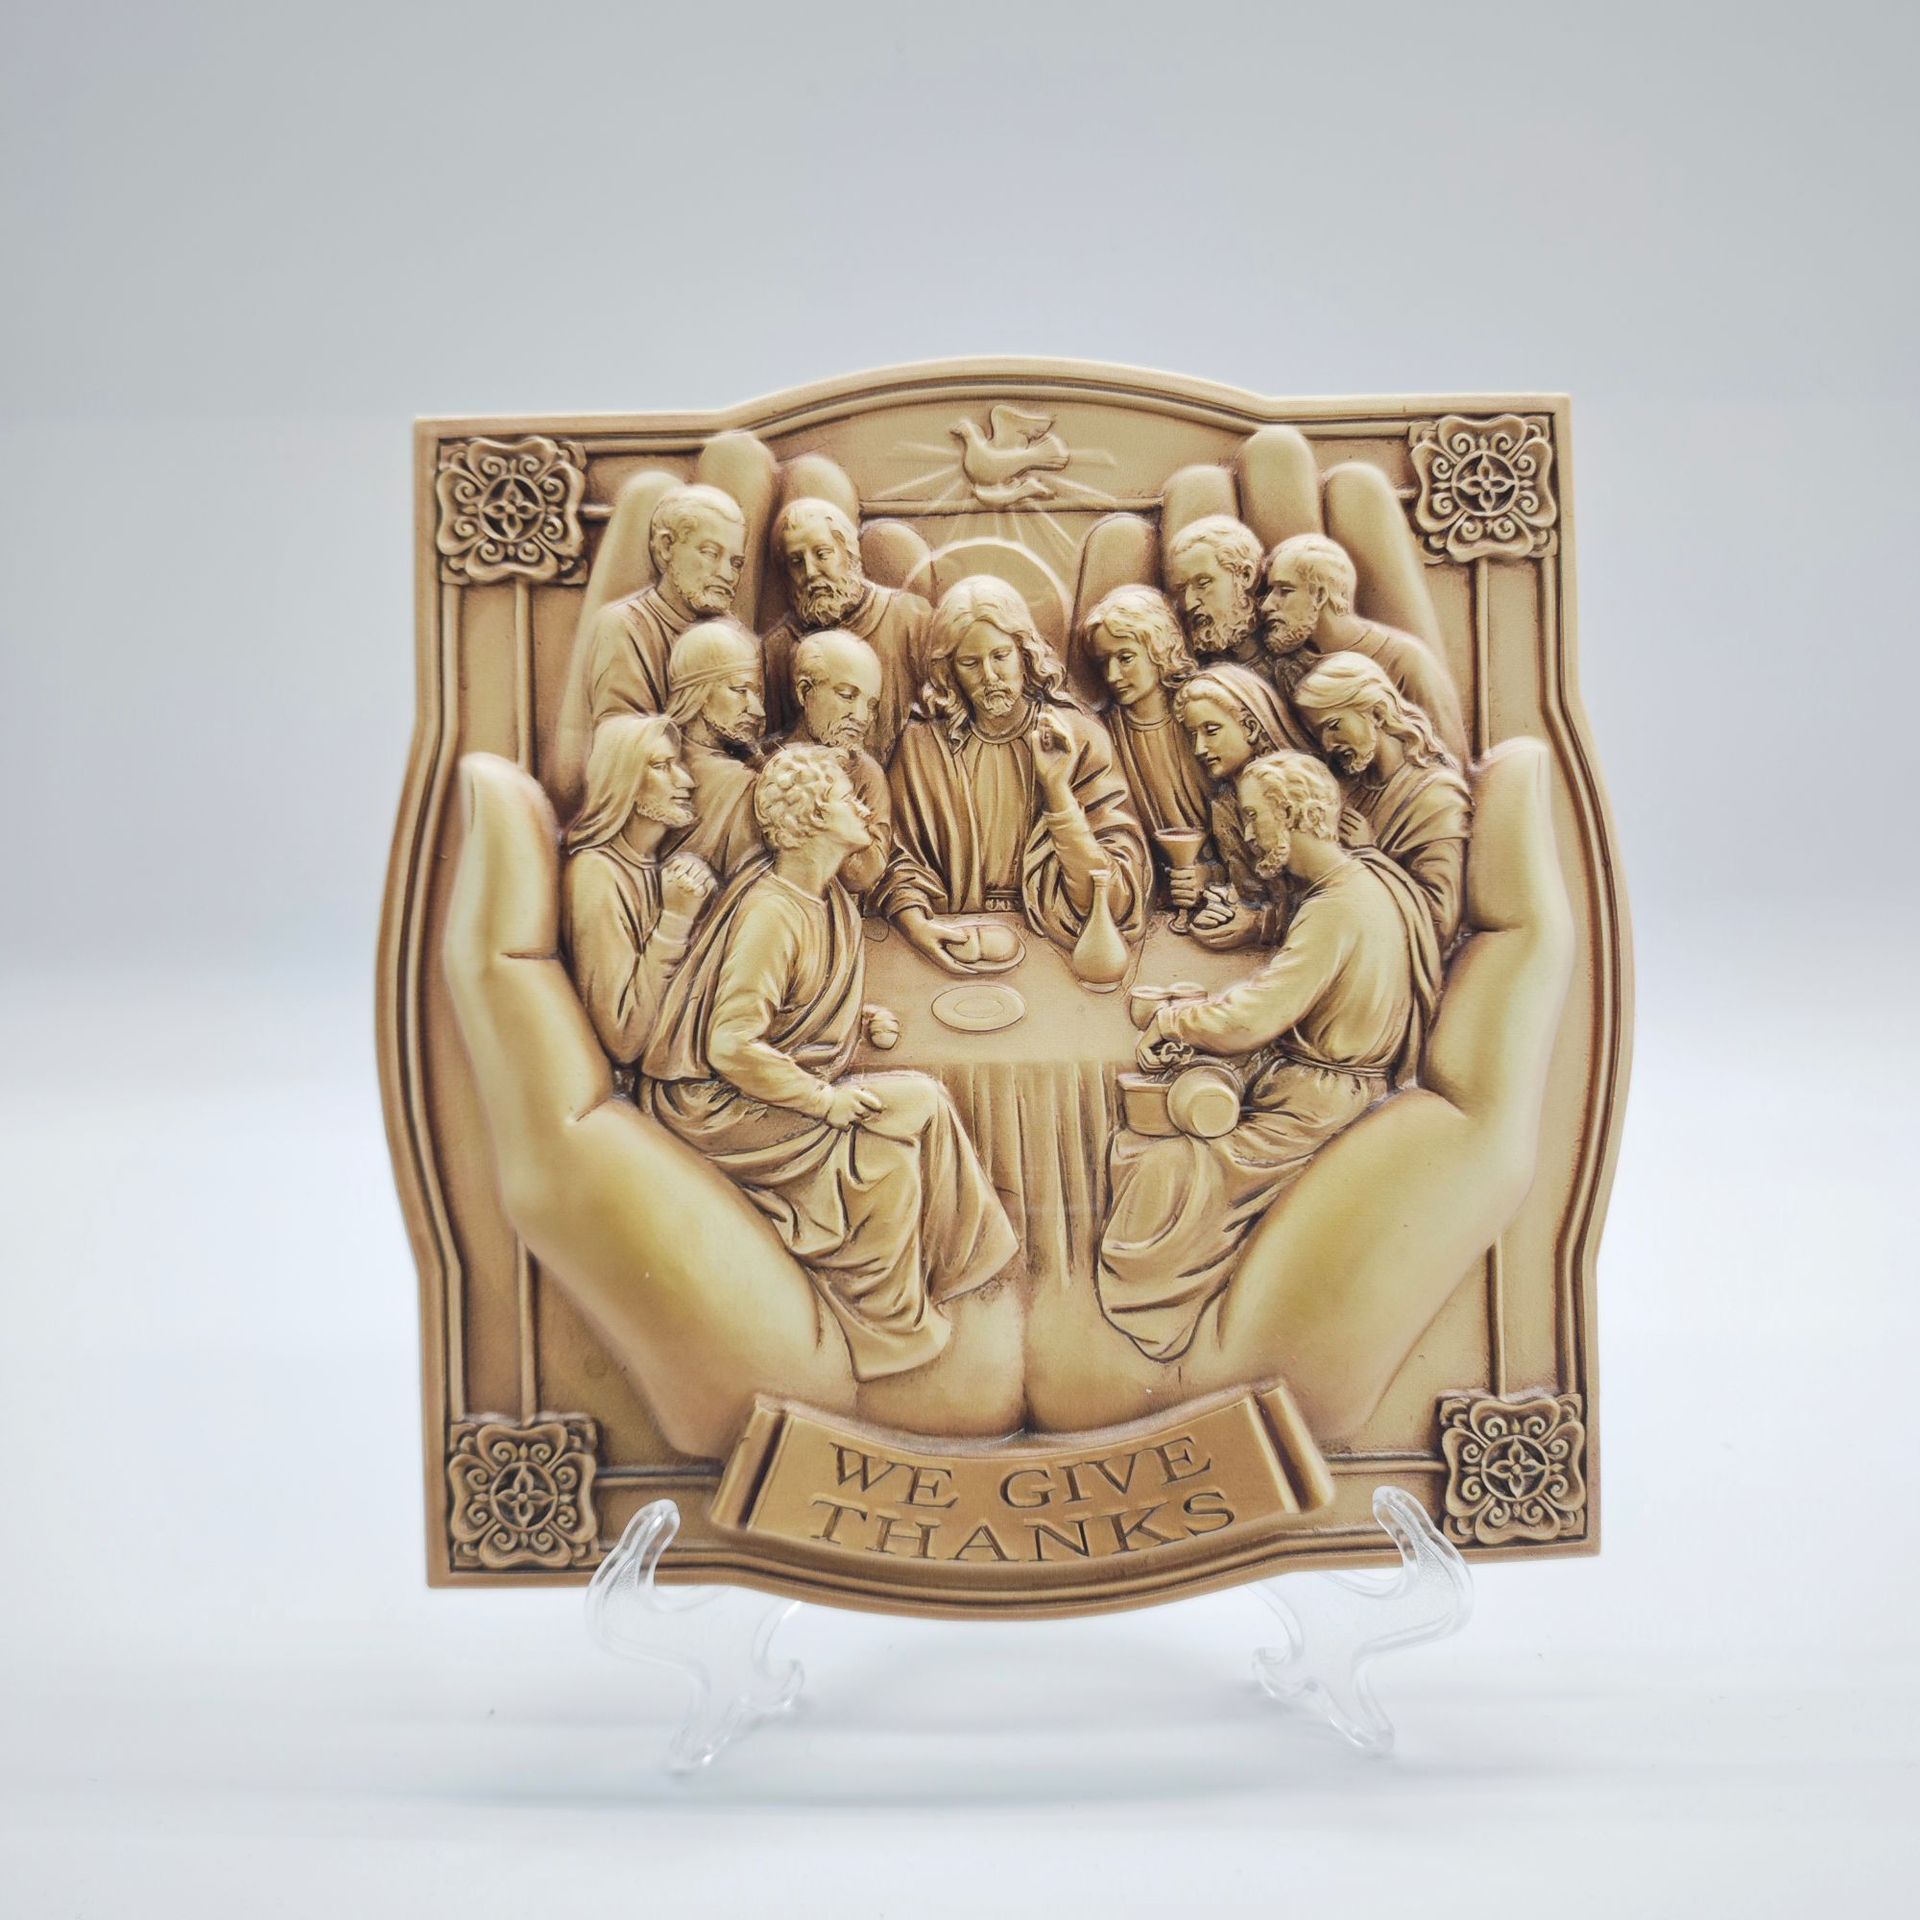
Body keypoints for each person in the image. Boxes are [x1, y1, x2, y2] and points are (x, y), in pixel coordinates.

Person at [640, 746, 1017, 1382]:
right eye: (847, 800)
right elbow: (730, 1045)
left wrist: (856, 1017)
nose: (862, 810)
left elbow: (793, 1006)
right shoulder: (773, 913)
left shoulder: (827, 896)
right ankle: (893, 1339)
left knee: (926, 1101)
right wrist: (825, 1101)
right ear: (813, 819)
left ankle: (957, 1279)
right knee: (884, 1162)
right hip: (723, 1107)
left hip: (771, 1084)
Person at [1096, 751, 1440, 1361]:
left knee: (1159, 1163)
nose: (1250, 833)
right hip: (1320, 1083)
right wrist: (1243, 949)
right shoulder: (1367, 879)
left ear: (1292, 813)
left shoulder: (1335, 909)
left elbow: (1253, 1018)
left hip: (1315, 1109)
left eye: (1256, 816)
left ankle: (1159, 1326)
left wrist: (1176, 1019)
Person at [874, 577, 1150, 969]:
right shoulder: (922, 748)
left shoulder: (1076, 737)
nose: (989, 675)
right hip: (953, 939)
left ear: (1025, 652)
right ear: (949, 671)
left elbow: (1116, 895)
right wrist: (915, 923)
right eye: (970, 663)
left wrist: (1057, 791)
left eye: (1000, 656)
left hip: (1056, 943)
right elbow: (897, 859)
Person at [561, 715, 716, 1064]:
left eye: (678, 764)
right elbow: (623, 1039)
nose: (687, 781)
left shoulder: (652, 867)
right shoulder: (596, 873)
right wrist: (675, 919)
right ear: (622, 779)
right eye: (661, 766)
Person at [1292, 652, 1472, 944]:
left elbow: (1439, 920)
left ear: (1376, 713)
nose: (1328, 744)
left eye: (1334, 726)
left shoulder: (1437, 796)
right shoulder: (1351, 792)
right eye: (1319, 733)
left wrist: (1369, 854)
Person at [1258, 532, 1469, 763]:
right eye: (1269, 592)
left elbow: (1451, 760)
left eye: (1284, 591)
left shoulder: (1405, 660)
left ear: (1320, 595)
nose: (1267, 605)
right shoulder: (1285, 669)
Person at [761, 497, 931, 763]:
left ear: (849, 553)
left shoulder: (909, 618)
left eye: (822, 554)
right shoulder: (777, 649)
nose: (810, 571)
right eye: (796, 561)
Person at [579, 483, 748, 723]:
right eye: (711, 553)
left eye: (736, 563)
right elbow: (623, 734)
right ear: (666, 546)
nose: (727, 575)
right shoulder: (623, 627)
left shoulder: (737, 635)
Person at [1171, 663, 1314, 947]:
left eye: (1211, 730)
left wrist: (1260, 923)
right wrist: (1207, 878)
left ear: (1250, 727)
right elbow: (1251, 880)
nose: (1199, 748)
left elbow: (1324, 897)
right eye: (1193, 735)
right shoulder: (1225, 804)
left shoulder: (1299, 795)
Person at [1081, 584, 1214, 858]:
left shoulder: (1201, 715)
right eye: (1103, 662)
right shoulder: (1107, 733)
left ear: (1159, 649)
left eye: (1125, 658)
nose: (1112, 675)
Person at [786, 628, 892, 897]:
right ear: (805, 692)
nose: (861, 716)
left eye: (871, 705)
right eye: (847, 695)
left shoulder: (866, 774)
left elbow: (866, 873)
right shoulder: (769, 765)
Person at [660, 620, 767, 877]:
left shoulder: (656, 755)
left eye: (757, 694)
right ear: (700, 693)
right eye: (740, 690)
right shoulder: (740, 783)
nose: (757, 710)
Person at [1162, 514, 1267, 667]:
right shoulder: (1188, 668)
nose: (1189, 604)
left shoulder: (1289, 665)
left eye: (1203, 584)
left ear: (1245, 575)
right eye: (1182, 590)